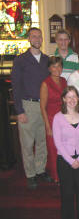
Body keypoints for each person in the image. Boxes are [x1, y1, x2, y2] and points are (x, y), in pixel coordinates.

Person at [11, 27, 52, 189]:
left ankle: (40, 169)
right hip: (27, 105)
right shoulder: (20, 60)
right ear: (29, 39)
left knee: (42, 141)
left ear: (42, 39)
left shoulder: (46, 60)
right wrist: (19, 111)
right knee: (27, 143)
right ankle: (30, 174)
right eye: (33, 36)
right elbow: (16, 86)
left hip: (43, 106)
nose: (37, 39)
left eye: (39, 37)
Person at [52, 86, 79, 219]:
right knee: (67, 192)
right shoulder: (58, 118)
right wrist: (71, 160)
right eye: (69, 97)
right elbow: (58, 142)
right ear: (64, 99)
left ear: (78, 99)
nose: (72, 100)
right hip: (64, 160)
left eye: (74, 96)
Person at [40, 56, 67, 183]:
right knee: (53, 149)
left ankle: (64, 173)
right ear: (49, 68)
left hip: (64, 119)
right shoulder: (45, 83)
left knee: (63, 148)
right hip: (51, 120)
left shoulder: (64, 81)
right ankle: (56, 176)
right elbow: (42, 107)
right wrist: (47, 126)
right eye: (54, 66)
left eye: (59, 66)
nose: (57, 69)